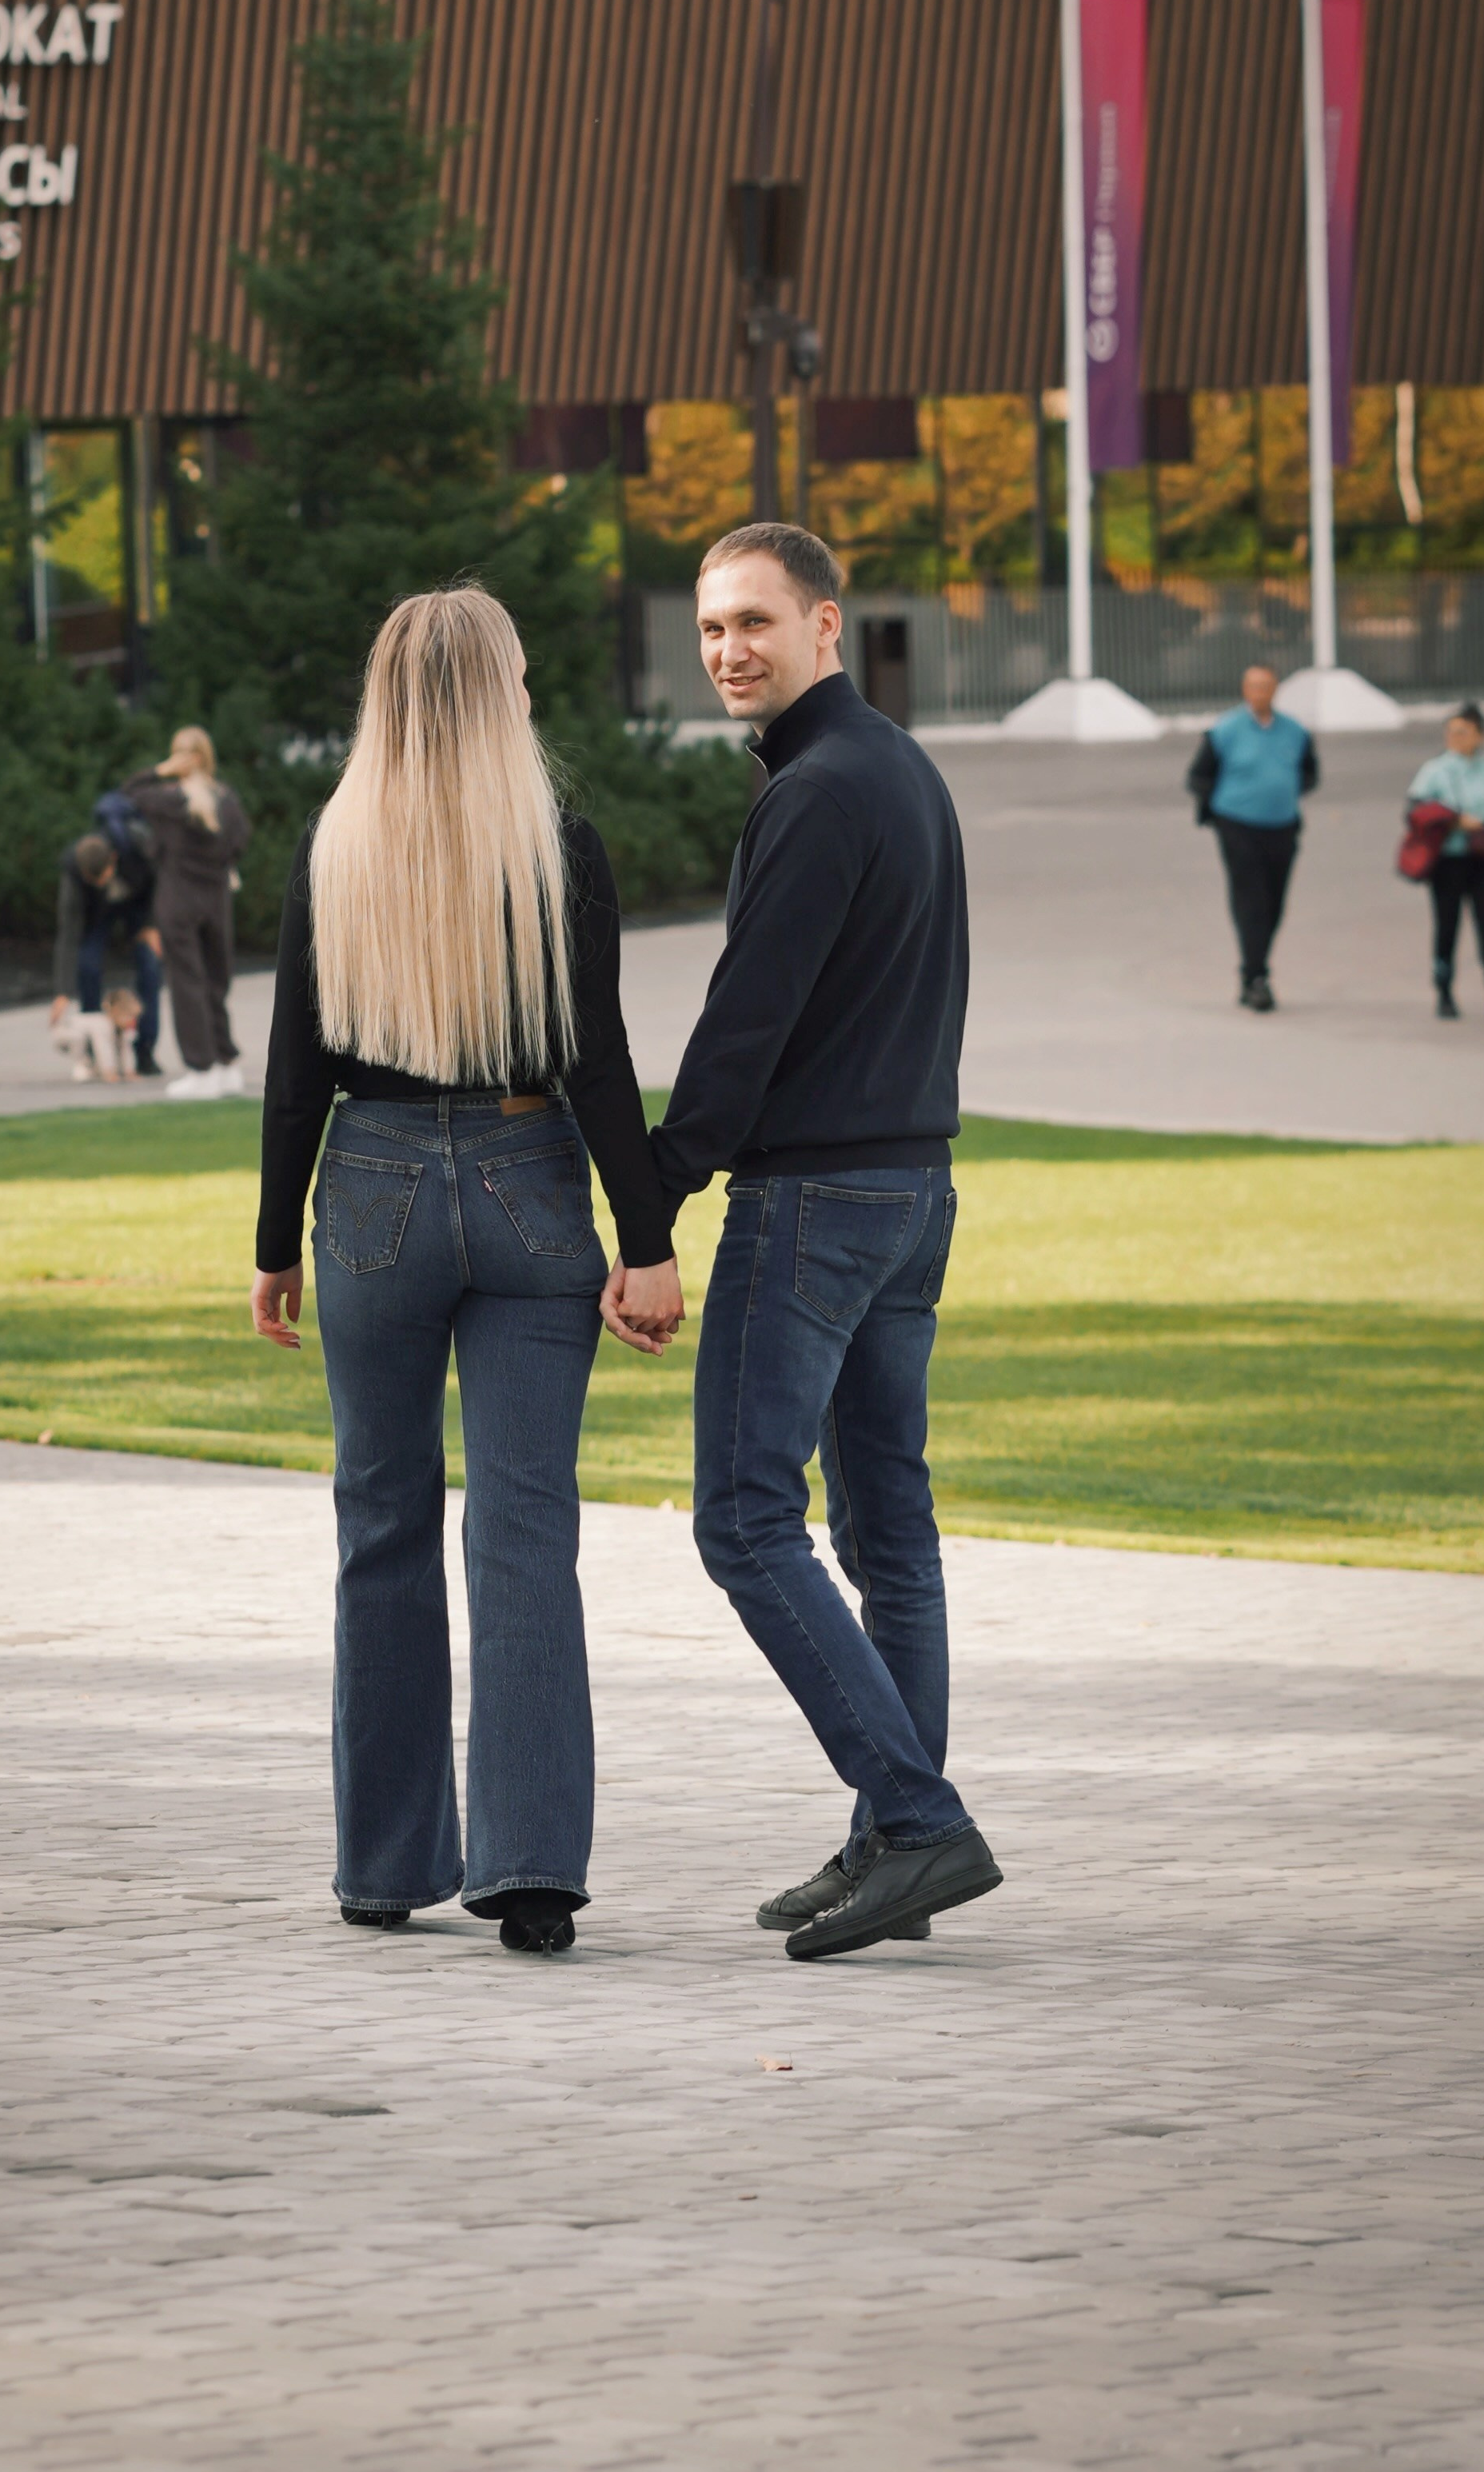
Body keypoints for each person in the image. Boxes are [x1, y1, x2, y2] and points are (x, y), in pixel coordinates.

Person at [249, 585, 680, 1957]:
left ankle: (384, 1865)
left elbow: (294, 1070)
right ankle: (532, 1869)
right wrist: (650, 1234)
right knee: (522, 1530)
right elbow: (598, 1055)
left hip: (368, 1186)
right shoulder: (556, 843)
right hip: (527, 1177)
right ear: (500, 692)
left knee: (380, 1520)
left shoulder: (339, 845)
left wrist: (273, 1244)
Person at [605, 521, 1001, 1964]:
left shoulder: (818, 790)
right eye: (711, 628)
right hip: (910, 1194)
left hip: (820, 1207)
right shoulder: (893, 768)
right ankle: (893, 1832)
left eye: (756, 623)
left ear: (826, 624)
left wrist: (649, 1197)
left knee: (743, 1516)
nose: (728, 650)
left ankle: (915, 1817)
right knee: (886, 1529)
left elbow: (744, 1025)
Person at [123, 729, 251, 1099]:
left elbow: (129, 793)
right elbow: (240, 842)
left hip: (178, 898)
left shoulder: (168, 799)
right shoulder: (226, 800)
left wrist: (161, 770)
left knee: (187, 983)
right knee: (215, 980)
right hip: (215, 898)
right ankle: (226, 1063)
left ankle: (202, 1068)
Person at [1184, 665, 1318, 1011]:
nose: (1260, 693)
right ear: (1245, 690)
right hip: (1239, 825)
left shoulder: (1294, 731)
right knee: (1251, 900)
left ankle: (1256, 965)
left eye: (1266, 686)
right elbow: (1199, 776)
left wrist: (1281, 791)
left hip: (1282, 825)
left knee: (1274, 901)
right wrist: (1223, 811)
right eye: (1254, 686)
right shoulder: (1225, 731)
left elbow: (1309, 773)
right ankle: (1255, 976)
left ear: (1276, 690)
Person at [1406, 703, 1484, 1021]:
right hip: (1447, 861)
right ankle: (1444, 991)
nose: (1456, 738)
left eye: (1463, 732)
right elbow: (1415, 811)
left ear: (1479, 736)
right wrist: (1455, 821)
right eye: (1452, 732)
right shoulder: (1436, 770)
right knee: (1447, 927)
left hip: (1482, 858)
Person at [49, 829, 162, 1079]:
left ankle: (143, 1051)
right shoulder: (73, 871)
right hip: (97, 916)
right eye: (93, 880)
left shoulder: (135, 854)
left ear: (113, 859)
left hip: (136, 910)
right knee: (87, 965)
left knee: (149, 965)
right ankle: (96, 1053)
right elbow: (69, 933)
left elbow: (158, 883)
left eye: (103, 877)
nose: (100, 883)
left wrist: (152, 925)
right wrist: (62, 991)